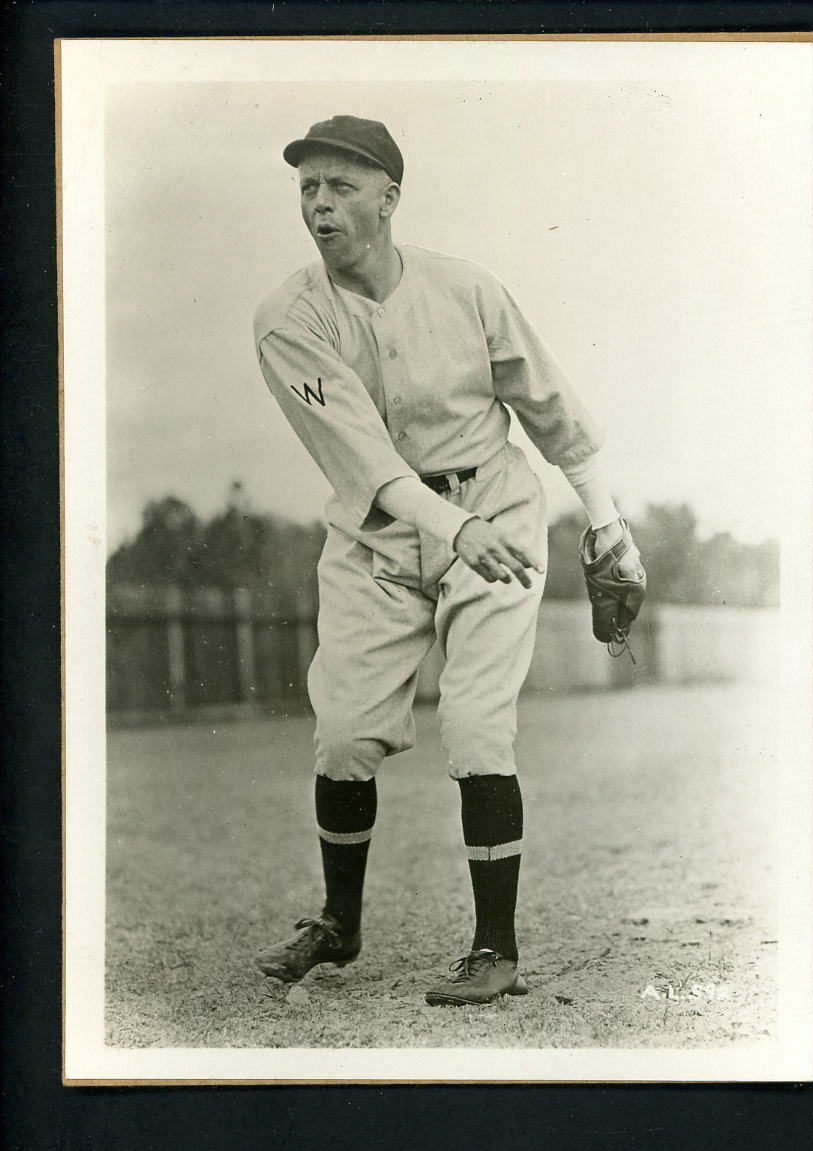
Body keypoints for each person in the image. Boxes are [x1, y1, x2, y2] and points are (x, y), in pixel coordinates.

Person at [252, 115, 643, 1005]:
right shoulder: (287, 319)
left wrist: (607, 522)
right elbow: (363, 459)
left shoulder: (466, 289)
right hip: (375, 531)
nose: (319, 203)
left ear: (388, 198)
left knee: (473, 725)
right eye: (307, 186)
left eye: (340, 185)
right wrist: (446, 528)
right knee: (344, 732)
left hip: (494, 512)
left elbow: (554, 413)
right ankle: (338, 924)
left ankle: (493, 949)